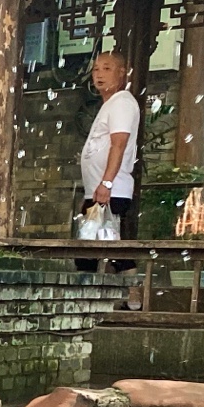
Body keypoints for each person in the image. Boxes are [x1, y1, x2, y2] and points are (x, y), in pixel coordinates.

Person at [79, 52, 144, 306]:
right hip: (98, 190)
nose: (99, 74)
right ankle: (104, 298)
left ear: (121, 72)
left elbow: (119, 143)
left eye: (107, 68)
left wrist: (106, 182)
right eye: (96, 69)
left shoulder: (122, 102)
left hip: (110, 190)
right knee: (97, 246)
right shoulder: (109, 104)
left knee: (106, 246)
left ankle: (131, 297)